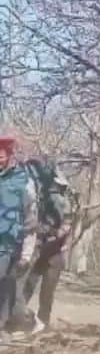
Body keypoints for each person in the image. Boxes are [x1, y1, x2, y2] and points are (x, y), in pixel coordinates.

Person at [21, 158, 73, 332]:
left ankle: (43, 323)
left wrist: (52, 234)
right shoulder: (42, 201)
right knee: (29, 285)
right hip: (41, 250)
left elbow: (66, 226)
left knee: (47, 292)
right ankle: (18, 317)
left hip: (55, 253)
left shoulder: (65, 203)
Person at [0, 132, 38, 336]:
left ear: (9, 155)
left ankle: (10, 324)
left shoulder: (21, 180)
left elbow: (31, 217)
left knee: (5, 285)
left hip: (8, 243)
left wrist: (26, 252)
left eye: (2, 154)